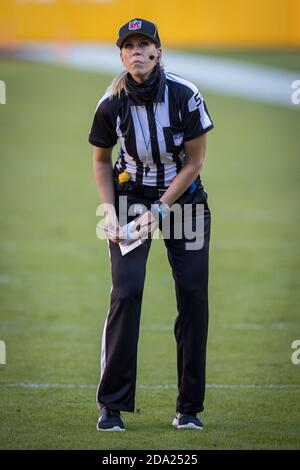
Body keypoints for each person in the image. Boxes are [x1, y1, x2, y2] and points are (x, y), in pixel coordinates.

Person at [88, 18, 214, 432]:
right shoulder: (111, 101)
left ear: (159, 52)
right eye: (129, 46)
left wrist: (160, 209)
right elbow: (102, 159)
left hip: (183, 202)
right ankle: (111, 405)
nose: (137, 52)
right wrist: (109, 210)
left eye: (145, 45)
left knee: (193, 296)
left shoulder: (185, 95)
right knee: (127, 291)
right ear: (121, 55)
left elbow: (195, 162)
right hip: (129, 199)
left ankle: (189, 408)